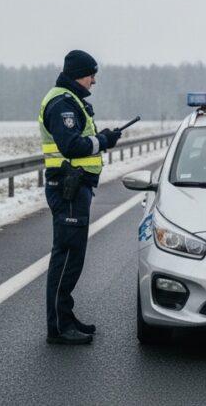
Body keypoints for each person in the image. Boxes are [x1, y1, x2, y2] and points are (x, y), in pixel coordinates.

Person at [38, 50, 122, 345]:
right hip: (68, 187)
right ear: (78, 74)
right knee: (67, 255)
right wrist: (104, 141)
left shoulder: (71, 101)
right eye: (90, 74)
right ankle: (59, 327)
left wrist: (102, 140)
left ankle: (65, 316)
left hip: (74, 186)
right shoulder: (62, 103)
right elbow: (72, 145)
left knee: (73, 255)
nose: (93, 80)